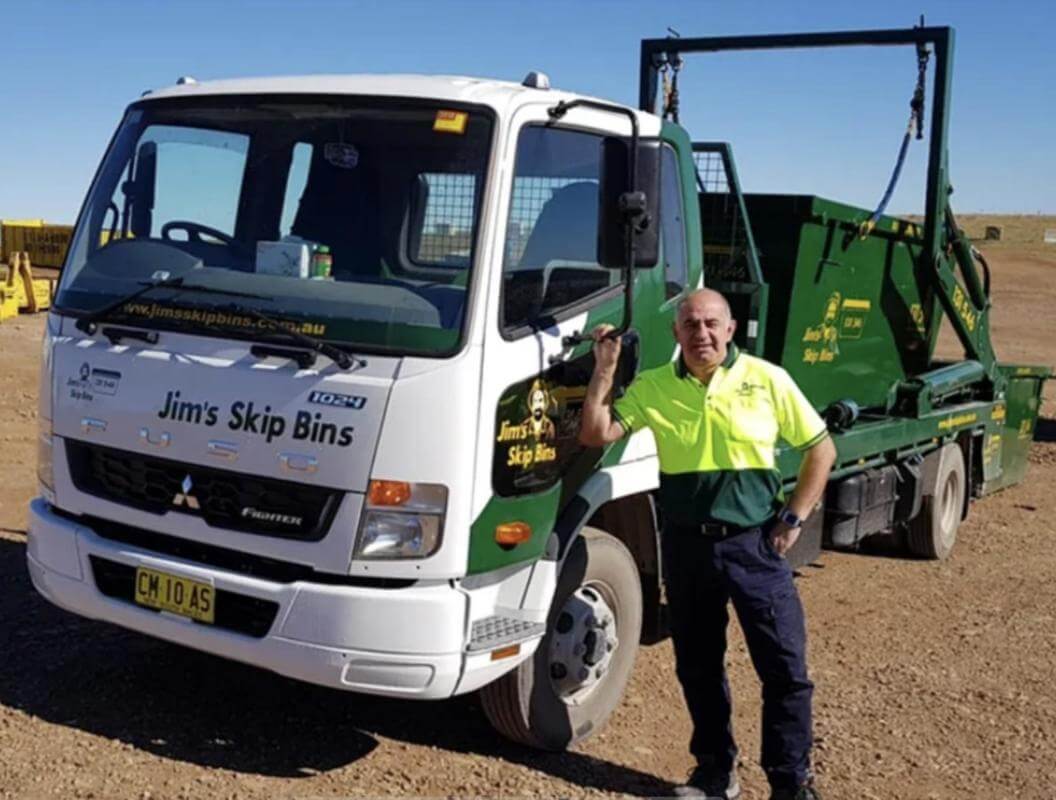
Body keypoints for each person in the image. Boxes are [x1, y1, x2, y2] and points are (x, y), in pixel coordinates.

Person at [579, 289, 836, 800]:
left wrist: (792, 518)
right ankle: (715, 772)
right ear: (676, 333)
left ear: (731, 328)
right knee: (698, 665)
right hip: (686, 547)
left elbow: (821, 450)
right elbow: (596, 432)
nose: (702, 334)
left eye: (712, 324)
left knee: (785, 669)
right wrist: (605, 369)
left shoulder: (767, 379)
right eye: (691, 325)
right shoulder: (654, 387)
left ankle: (791, 783)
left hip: (754, 547)